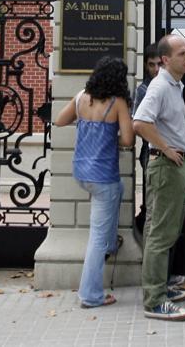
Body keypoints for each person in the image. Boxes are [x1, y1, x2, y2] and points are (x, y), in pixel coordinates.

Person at [55, 56, 134, 308]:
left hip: (81, 173)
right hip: (103, 177)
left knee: (116, 194)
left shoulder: (81, 97)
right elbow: (128, 140)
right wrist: (110, 136)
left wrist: (87, 126)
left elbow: (59, 120)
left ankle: (111, 242)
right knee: (97, 237)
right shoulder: (117, 102)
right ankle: (90, 295)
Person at [133, 34, 185, 321]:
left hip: (173, 165)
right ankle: (155, 301)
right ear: (166, 59)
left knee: (161, 232)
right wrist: (167, 149)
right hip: (167, 166)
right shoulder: (159, 87)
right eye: (182, 53)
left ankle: (158, 290)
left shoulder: (174, 86)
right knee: (160, 234)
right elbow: (140, 123)